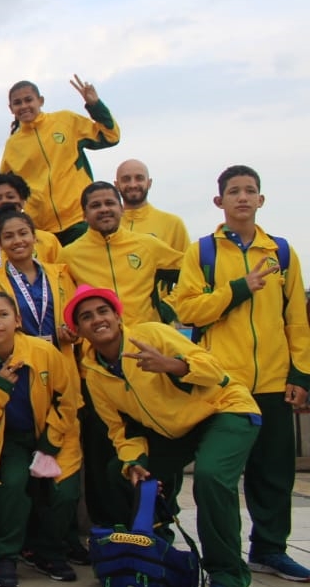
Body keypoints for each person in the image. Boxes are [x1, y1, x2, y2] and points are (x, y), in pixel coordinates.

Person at [65, 286, 261, 587]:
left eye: (103, 311)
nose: (97, 319)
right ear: (78, 330)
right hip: (177, 431)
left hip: (224, 409)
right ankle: (155, 546)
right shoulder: (94, 374)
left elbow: (215, 372)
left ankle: (227, 574)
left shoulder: (151, 334)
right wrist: (135, 462)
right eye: (86, 316)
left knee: (210, 477)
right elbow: (121, 429)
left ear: (118, 317)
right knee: (120, 473)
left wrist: (174, 366)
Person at [171, 165, 310, 580]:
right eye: (234, 191)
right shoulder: (202, 253)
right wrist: (238, 288)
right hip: (224, 385)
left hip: (272, 380)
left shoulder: (281, 253)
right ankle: (225, 555)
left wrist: (300, 374)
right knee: (220, 476)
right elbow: (187, 309)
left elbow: (296, 320)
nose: (243, 197)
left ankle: (269, 549)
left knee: (274, 473)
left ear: (261, 200)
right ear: (220, 201)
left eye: (250, 191)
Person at [0, 293, 82, 585]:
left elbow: (67, 399)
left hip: (55, 434)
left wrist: (50, 444)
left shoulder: (43, 352)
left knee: (63, 492)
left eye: (3, 315)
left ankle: (49, 552)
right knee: (13, 487)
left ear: (17, 320)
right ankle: (7, 556)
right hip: (11, 440)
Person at [0, 75, 120, 245]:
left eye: (28, 100)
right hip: (42, 230)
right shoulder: (13, 144)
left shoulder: (65, 121)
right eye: (18, 103)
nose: (24, 106)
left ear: (40, 101)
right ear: (11, 108)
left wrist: (95, 106)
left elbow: (110, 136)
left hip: (79, 220)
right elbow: (1, 186)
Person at [59, 181, 182, 326]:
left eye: (109, 203)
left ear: (121, 209)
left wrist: (168, 307)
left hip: (147, 338)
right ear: (84, 215)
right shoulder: (69, 255)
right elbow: (60, 296)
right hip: (99, 342)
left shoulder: (147, 245)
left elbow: (191, 274)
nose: (104, 209)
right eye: (95, 205)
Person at [0, 211, 78, 349]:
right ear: (0, 244)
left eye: (23, 233)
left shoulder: (61, 276)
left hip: (61, 362)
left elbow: (78, 319)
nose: (17, 240)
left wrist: (74, 333)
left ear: (34, 237)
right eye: (8, 236)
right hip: (18, 365)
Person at [0, 173, 63, 268]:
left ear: (23, 201)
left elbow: (65, 277)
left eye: (10, 197)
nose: (4, 201)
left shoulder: (49, 241)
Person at [115, 159, 189, 251]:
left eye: (139, 178)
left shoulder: (173, 224)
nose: (133, 184)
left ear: (149, 183)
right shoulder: (107, 225)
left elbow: (185, 263)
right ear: (116, 185)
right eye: (126, 179)